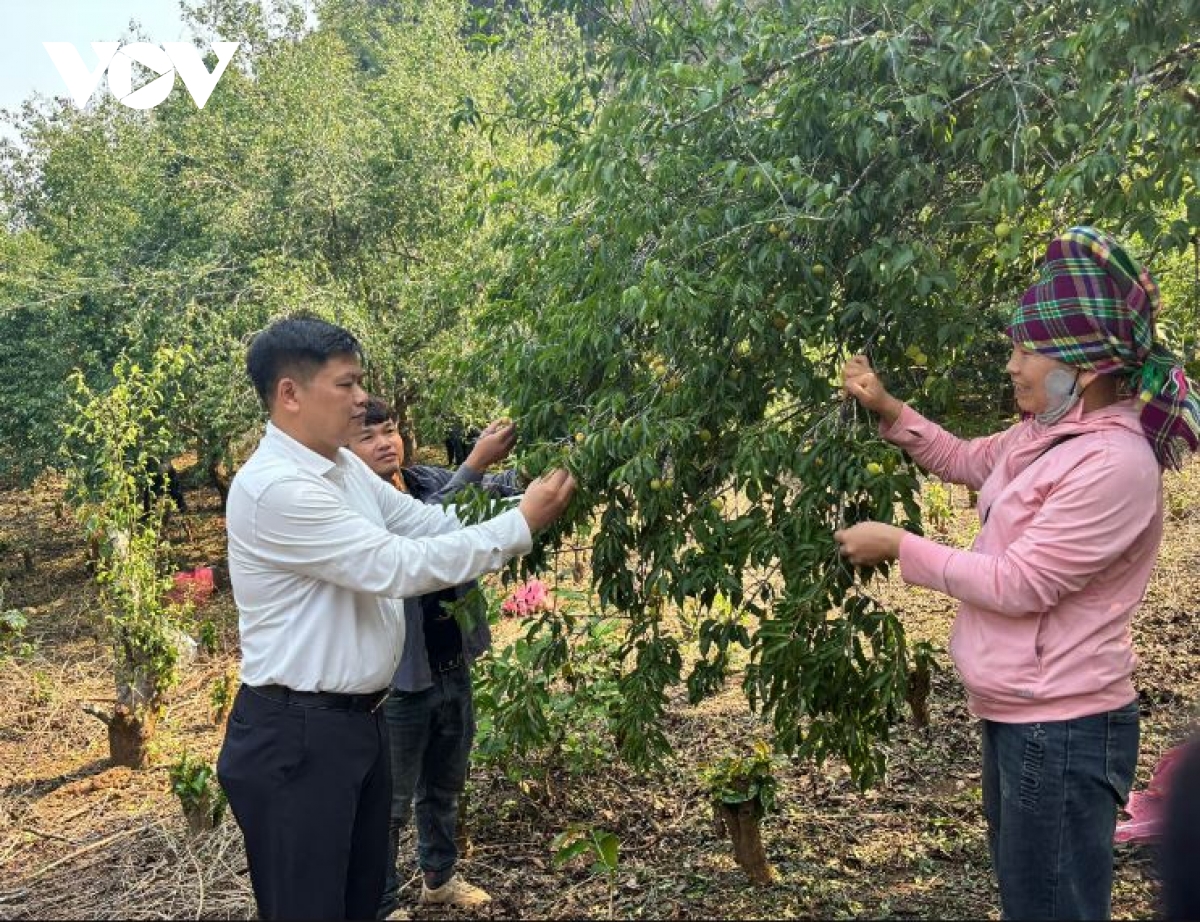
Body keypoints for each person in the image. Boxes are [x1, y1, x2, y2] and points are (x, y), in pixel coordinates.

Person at [834, 226, 1200, 920]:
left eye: (1028, 350)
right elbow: (970, 460)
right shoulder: (1046, 433)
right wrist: (886, 408)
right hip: (1020, 713)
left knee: (1049, 908)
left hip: (1062, 724)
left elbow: (1019, 582)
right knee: (1031, 900)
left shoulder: (1113, 464)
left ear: (1083, 368)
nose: (1012, 365)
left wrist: (900, 547)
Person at [215, 317, 576, 922]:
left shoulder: (341, 467)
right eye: (347, 384)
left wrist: (522, 501)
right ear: (290, 394)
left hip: (357, 721)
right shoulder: (275, 489)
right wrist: (520, 527)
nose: (362, 399)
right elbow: (398, 565)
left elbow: (424, 524)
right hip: (297, 734)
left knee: (362, 904)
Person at [347, 396, 520, 915]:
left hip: (452, 666)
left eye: (390, 430)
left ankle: (440, 880)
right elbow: (419, 530)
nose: (385, 442)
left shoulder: (424, 480)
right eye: (368, 436)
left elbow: (497, 494)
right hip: (401, 684)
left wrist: (562, 455)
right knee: (389, 805)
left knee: (444, 788)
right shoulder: (360, 508)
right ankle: (380, 906)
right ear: (346, 452)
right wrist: (474, 463)